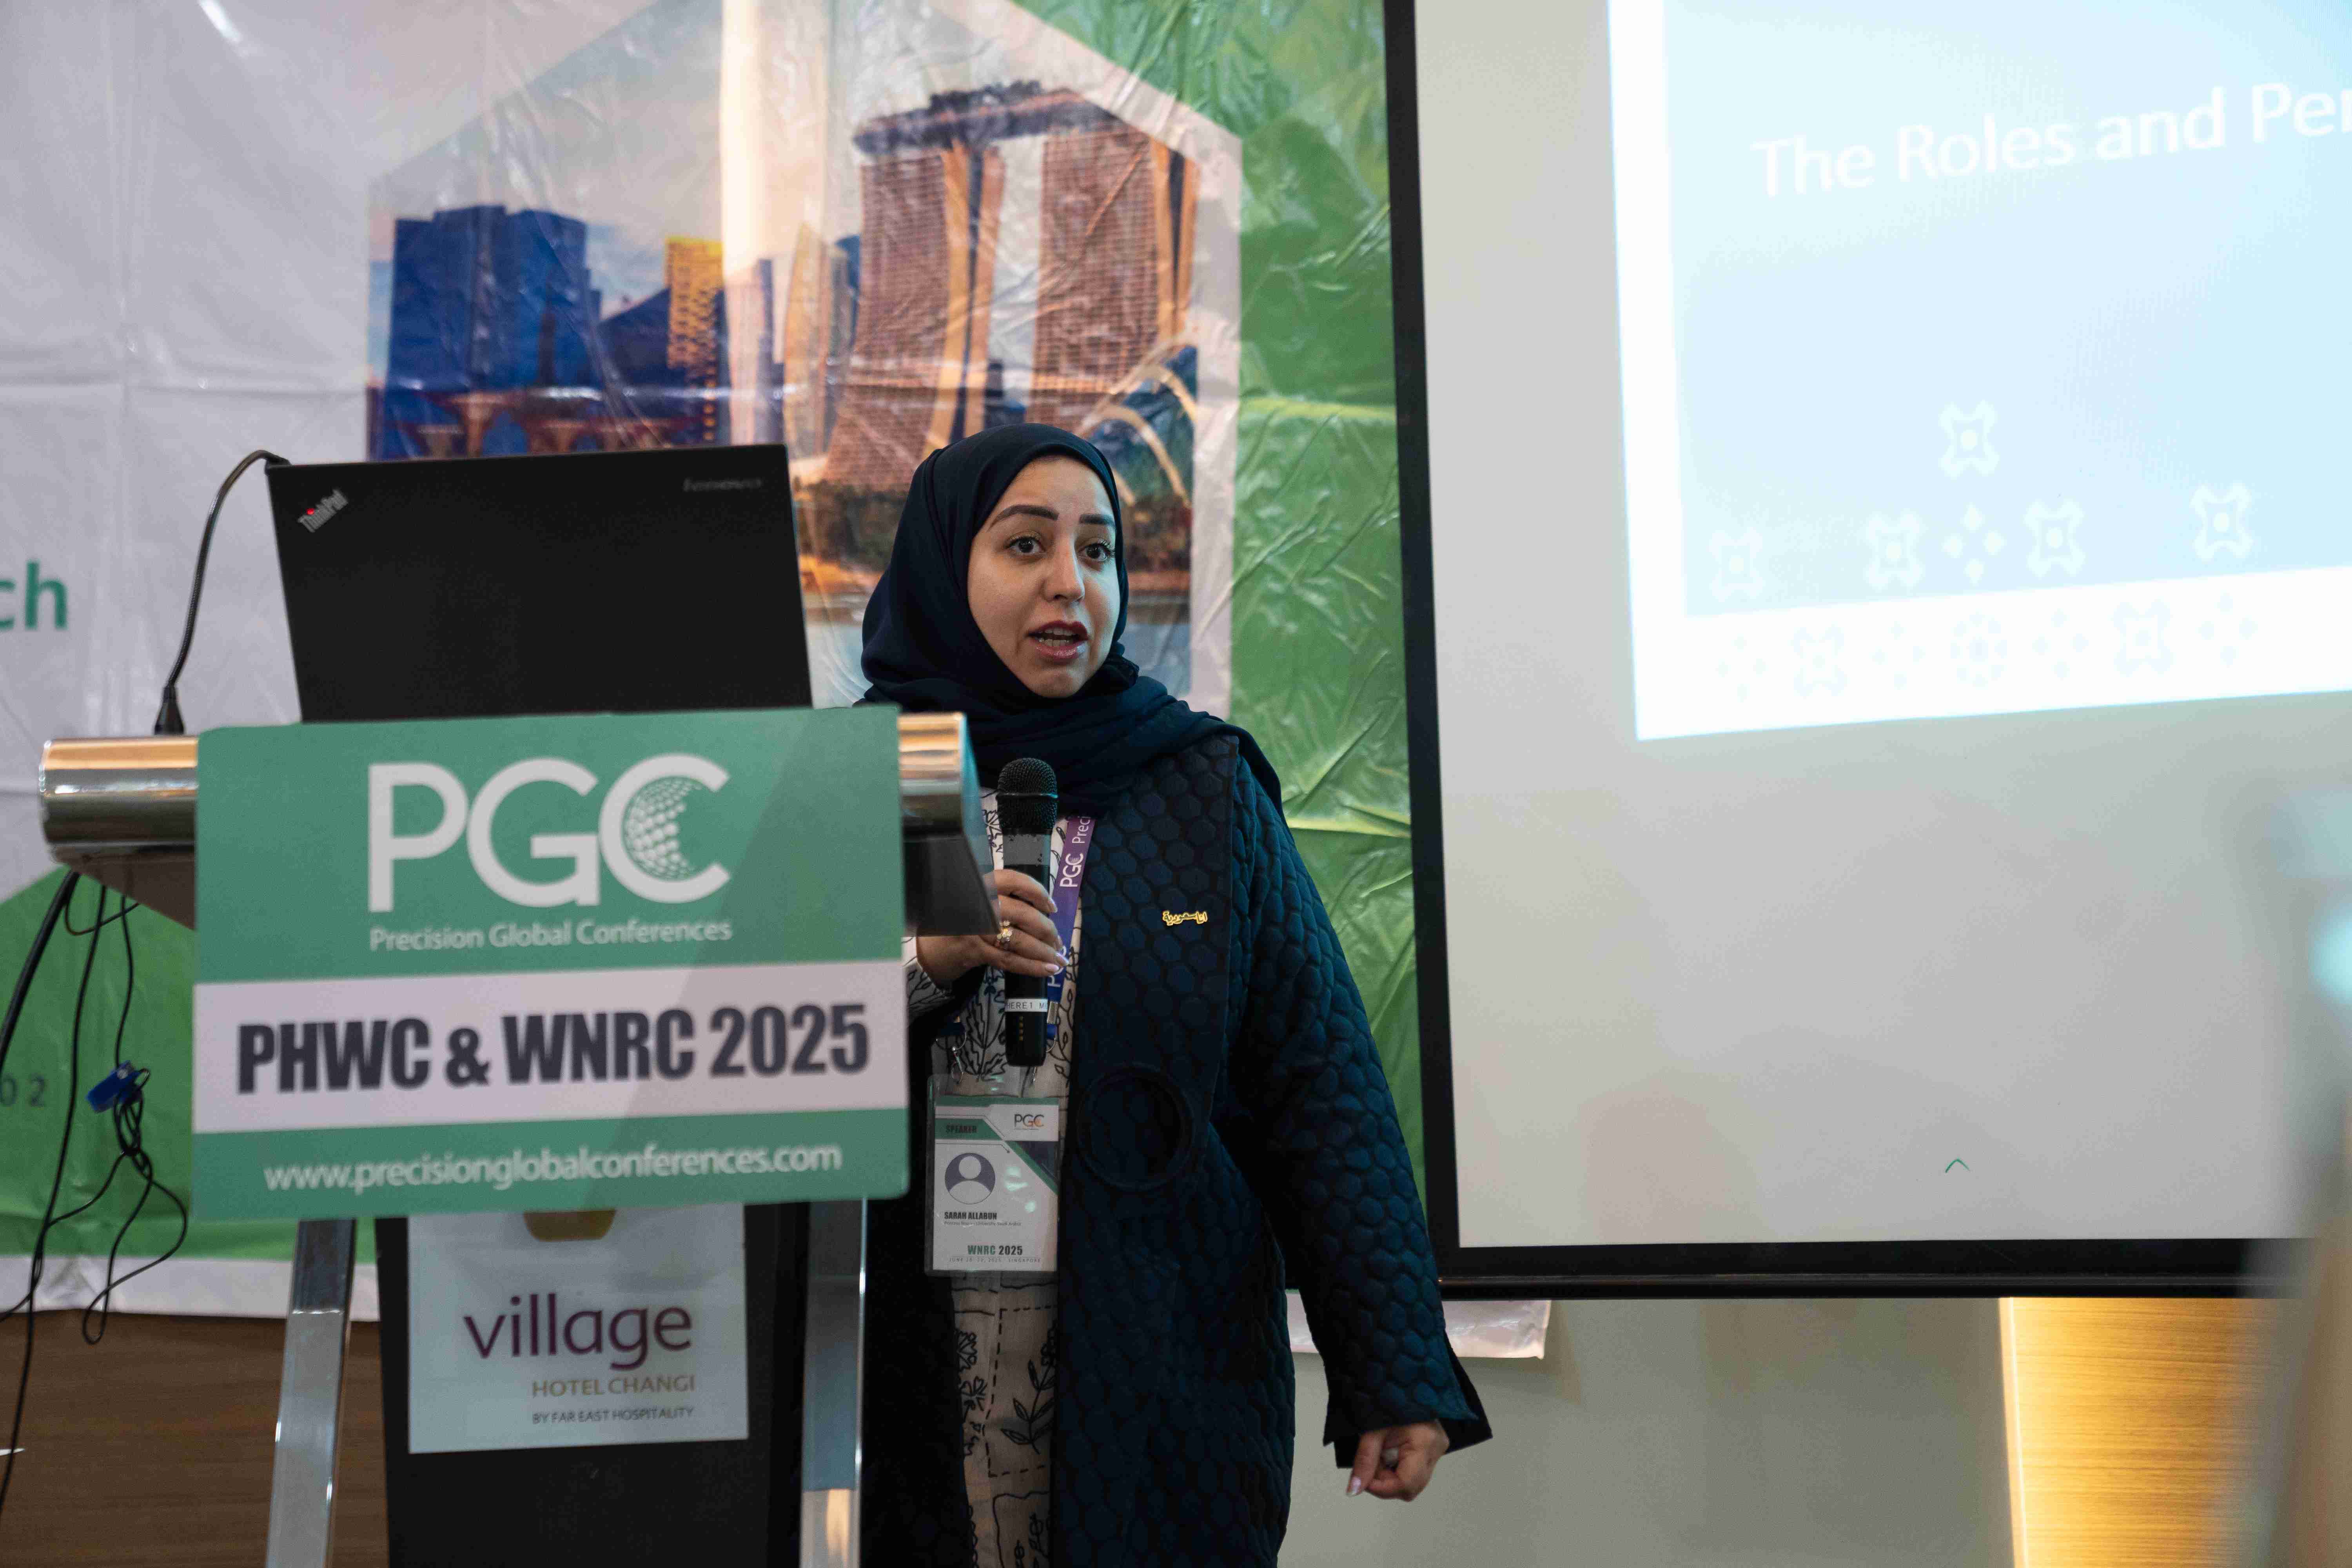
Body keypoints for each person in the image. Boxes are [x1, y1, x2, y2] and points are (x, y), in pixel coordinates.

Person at [860, 423, 1488, 1567]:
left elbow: (1320, 1087)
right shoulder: (871, 776)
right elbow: (757, 1041)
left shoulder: (1199, 783)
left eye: (1098, 551)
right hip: (904, 1363)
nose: (1071, 583)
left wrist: (1393, 1367)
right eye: (1026, 545)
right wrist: (931, 960)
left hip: (1160, 1354)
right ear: (944, 567)